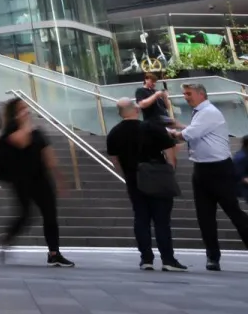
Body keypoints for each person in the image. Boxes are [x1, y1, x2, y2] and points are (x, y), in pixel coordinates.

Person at [169, 83, 248, 272]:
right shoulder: (200, 112)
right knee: (205, 216)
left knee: (234, 212)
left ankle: (215, 255)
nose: (186, 97)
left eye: (189, 94)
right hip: (201, 169)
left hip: (219, 169)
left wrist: (171, 133)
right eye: (184, 94)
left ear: (201, 94)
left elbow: (189, 134)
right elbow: (198, 132)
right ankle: (212, 256)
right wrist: (179, 128)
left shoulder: (208, 112)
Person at [105, 97, 185, 272]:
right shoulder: (151, 128)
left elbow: (115, 160)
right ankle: (168, 260)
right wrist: (170, 170)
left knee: (141, 218)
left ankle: (146, 259)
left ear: (120, 112)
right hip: (157, 176)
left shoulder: (114, 133)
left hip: (134, 180)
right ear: (136, 110)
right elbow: (170, 152)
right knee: (162, 221)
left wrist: (127, 175)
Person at [0, 97, 75, 267]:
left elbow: (49, 156)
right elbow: (22, 142)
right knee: (25, 214)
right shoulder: (11, 132)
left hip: (41, 178)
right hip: (21, 179)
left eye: (27, 108)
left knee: (50, 214)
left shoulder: (36, 132)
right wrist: (25, 124)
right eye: (22, 109)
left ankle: (54, 253)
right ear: (14, 114)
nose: (27, 111)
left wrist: (59, 178)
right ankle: (7, 238)